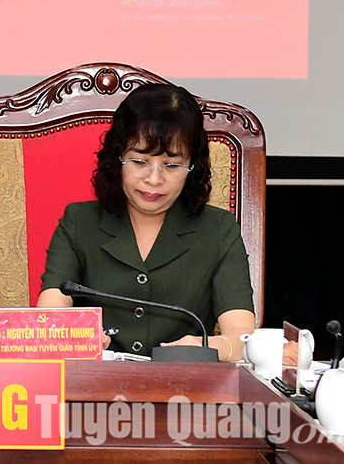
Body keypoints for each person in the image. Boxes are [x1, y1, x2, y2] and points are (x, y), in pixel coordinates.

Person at [37, 83, 255, 360]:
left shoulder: (218, 230)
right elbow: (50, 314)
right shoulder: (80, 222)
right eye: (140, 162)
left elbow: (242, 335)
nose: (154, 179)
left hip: (185, 382)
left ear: (193, 167)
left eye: (172, 165)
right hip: (96, 380)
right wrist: (75, 336)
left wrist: (208, 347)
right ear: (117, 159)